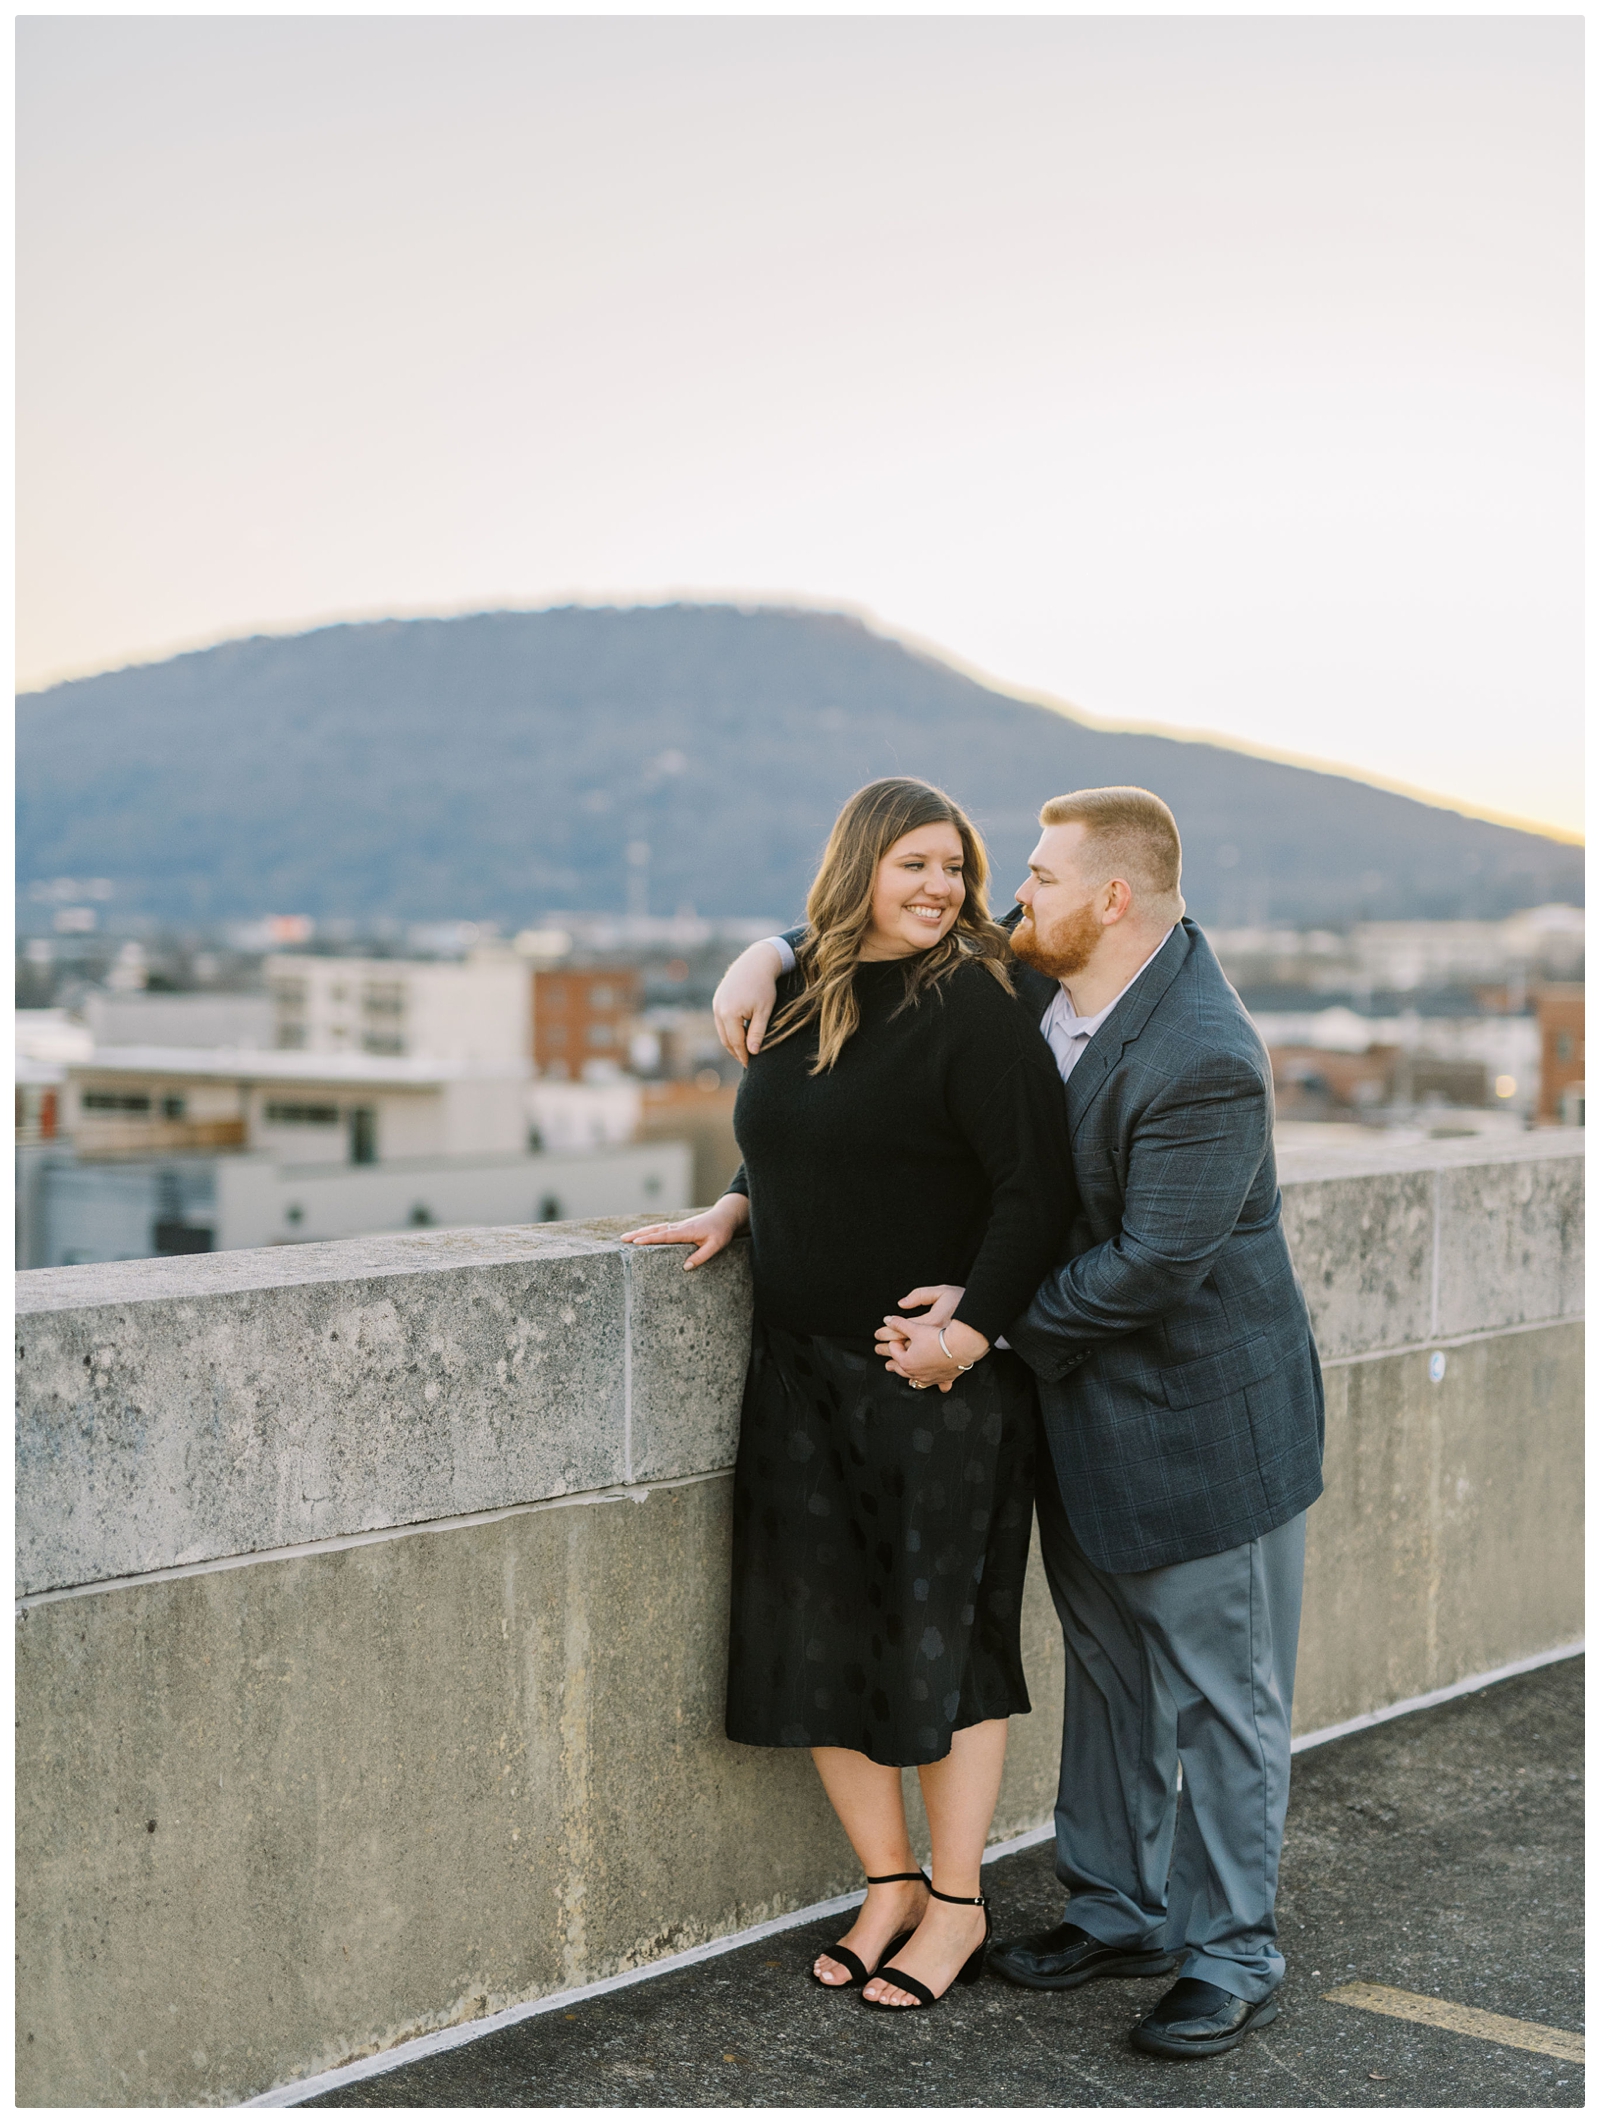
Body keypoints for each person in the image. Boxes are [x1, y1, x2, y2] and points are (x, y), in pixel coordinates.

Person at [711, 784, 1324, 2061]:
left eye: (1034, 877)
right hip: (1080, 1412)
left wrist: (981, 1327)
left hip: (1198, 1420)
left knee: (1221, 1698)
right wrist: (766, 948)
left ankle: (1229, 1952)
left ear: (1112, 895)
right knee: (1107, 1678)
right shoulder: (1047, 983)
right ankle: (1116, 1907)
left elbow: (1154, 1261)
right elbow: (867, 959)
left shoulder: (1204, 1051)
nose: (1008, 899)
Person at [626, 777, 1074, 2013]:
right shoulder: (802, 989)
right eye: (915, 864)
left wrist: (973, 1330)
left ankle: (959, 1900)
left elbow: (1035, 1191)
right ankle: (885, 1885)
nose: (939, 888)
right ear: (860, 864)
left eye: (957, 868)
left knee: (947, 1650)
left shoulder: (980, 1005)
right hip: (798, 1374)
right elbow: (807, 1132)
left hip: (930, 1381)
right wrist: (743, 1198)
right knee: (816, 1640)